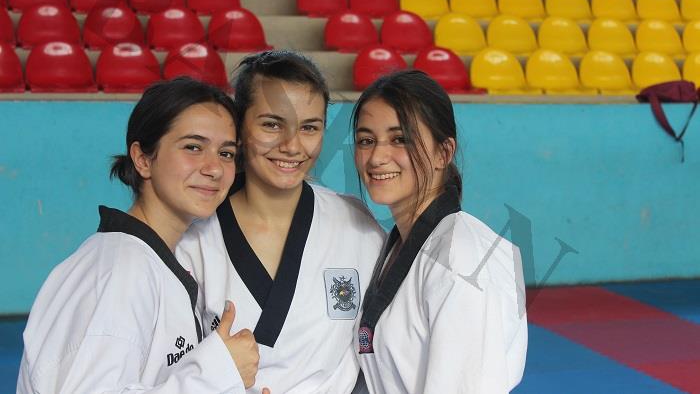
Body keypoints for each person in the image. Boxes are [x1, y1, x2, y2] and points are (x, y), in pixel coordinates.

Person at [17, 78, 266, 394]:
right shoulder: (122, 270)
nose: (215, 168)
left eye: (226, 153)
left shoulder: (148, 261)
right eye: (193, 147)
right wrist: (218, 374)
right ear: (143, 159)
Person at [176, 51, 385, 394]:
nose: (292, 146)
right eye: (272, 124)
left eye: (309, 128)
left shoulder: (357, 226)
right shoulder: (192, 237)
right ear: (239, 127)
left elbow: (382, 354)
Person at [352, 70, 528, 393]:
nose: (376, 157)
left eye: (400, 139)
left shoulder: (461, 257)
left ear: (443, 153)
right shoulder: (397, 244)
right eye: (366, 140)